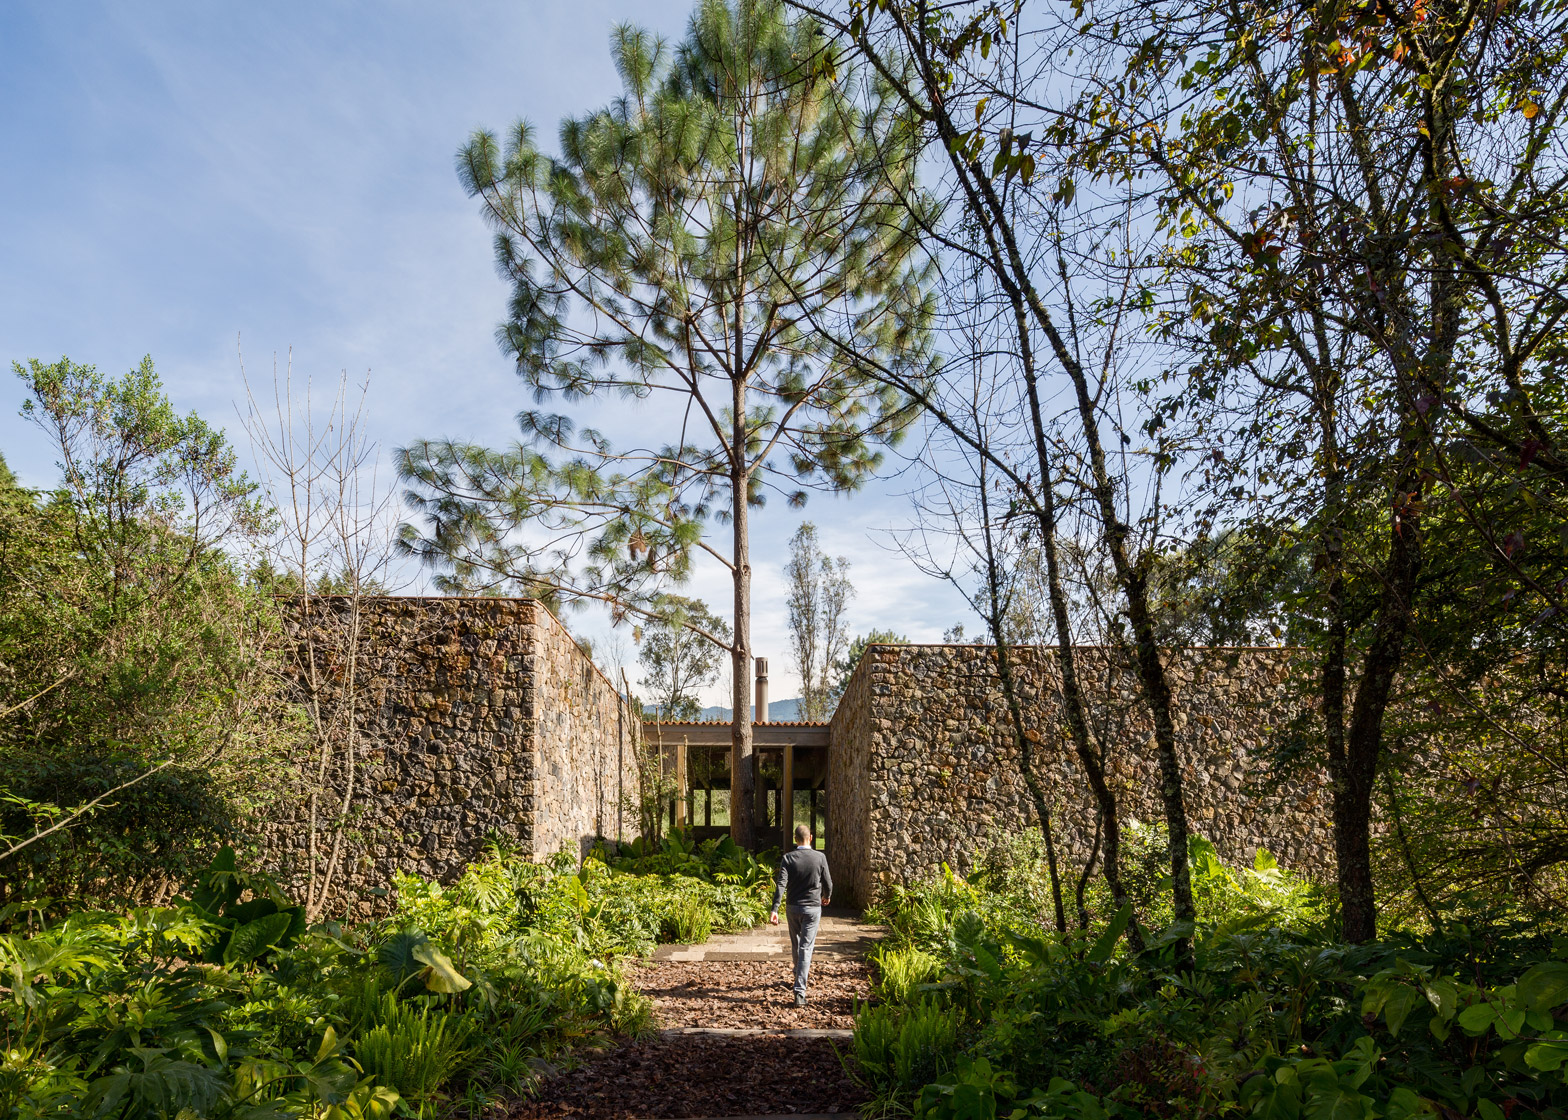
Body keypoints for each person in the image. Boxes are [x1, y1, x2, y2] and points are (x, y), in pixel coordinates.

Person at [769, 823, 832, 1007]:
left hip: (793, 908)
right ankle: (799, 991)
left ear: (795, 840)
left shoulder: (788, 858)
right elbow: (828, 882)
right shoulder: (820, 857)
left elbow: (781, 884)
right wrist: (826, 896)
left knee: (796, 944)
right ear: (811, 837)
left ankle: (798, 974)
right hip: (812, 909)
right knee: (806, 947)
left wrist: (775, 908)